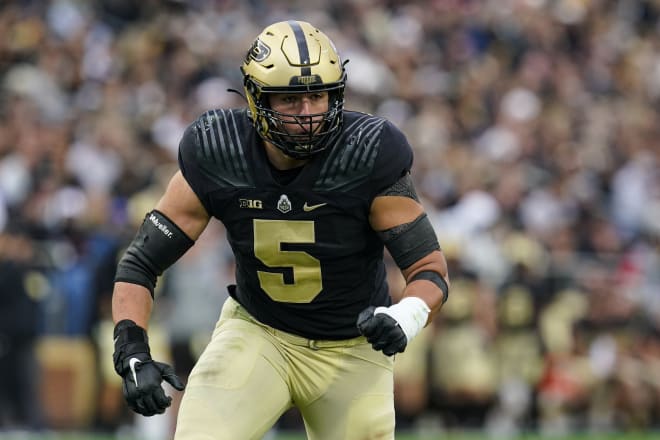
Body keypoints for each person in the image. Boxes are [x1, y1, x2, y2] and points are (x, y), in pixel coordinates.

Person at [111, 20, 450, 439]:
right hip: (258, 333)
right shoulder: (220, 151)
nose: (308, 113)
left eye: (317, 95)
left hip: (352, 350)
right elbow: (141, 262)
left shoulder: (366, 153)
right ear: (256, 99)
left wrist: (405, 315)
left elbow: (430, 270)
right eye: (290, 99)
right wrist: (131, 348)